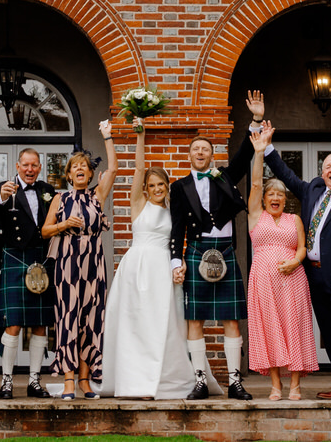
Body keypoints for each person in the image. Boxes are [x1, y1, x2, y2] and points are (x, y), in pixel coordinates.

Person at [263, 132, 331, 399]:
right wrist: (267, 148)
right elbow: (286, 175)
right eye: (327, 167)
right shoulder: (312, 190)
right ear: (322, 174)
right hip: (312, 274)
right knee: (329, 330)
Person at [97, 119, 193, 398]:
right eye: (152, 185)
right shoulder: (138, 204)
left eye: (160, 183)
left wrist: (181, 261)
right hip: (137, 268)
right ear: (146, 188)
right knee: (135, 322)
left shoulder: (174, 210)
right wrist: (141, 136)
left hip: (163, 268)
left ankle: (163, 377)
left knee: (164, 322)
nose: (156, 188)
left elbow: (178, 241)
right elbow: (139, 168)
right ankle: (134, 379)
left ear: (166, 185)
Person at [168, 131, 249, 400]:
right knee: (195, 319)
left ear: (211, 155)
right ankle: (200, 381)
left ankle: (235, 383)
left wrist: (256, 124)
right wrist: (176, 262)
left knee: (231, 319)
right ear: (189, 155)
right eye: (196, 149)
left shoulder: (224, 176)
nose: (200, 153)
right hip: (195, 251)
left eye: (205, 149)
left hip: (225, 249)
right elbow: (177, 227)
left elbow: (243, 156)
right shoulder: (179, 187)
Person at [41, 124, 118, 399]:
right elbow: (45, 231)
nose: (81, 169)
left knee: (91, 320)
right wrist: (63, 225)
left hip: (94, 266)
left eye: (85, 165)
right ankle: (69, 380)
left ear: (89, 172)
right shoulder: (60, 199)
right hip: (68, 265)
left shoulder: (97, 196)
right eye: (76, 166)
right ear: (69, 174)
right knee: (68, 318)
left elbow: (114, 169)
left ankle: (86, 380)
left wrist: (108, 136)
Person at [242, 123, 311, 402]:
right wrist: (259, 153)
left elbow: (303, 248)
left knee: (294, 326)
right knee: (268, 328)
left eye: (280, 194)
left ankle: (294, 384)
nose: (275, 197)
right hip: (263, 281)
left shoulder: (294, 219)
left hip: (293, 280)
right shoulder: (255, 215)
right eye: (271, 194)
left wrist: (295, 261)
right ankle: (275, 385)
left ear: (285, 200)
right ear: (264, 198)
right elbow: (256, 182)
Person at [0, 147, 57, 398]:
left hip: (41, 258)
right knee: (13, 324)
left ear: (39, 167)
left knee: (40, 325)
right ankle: (6, 381)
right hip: (15, 256)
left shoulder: (47, 191)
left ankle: (34, 381)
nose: (30, 170)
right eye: (25, 165)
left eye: (34, 165)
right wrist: (2, 200)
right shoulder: (2, 189)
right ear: (17, 167)